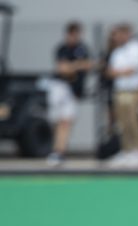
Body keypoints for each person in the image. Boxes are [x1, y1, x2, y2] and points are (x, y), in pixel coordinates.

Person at [46, 22, 93, 166]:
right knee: (57, 121)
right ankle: (56, 149)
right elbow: (63, 69)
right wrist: (77, 65)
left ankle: (60, 151)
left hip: (73, 91)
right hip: (60, 88)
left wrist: (73, 67)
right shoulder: (62, 49)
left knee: (67, 121)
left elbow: (89, 65)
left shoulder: (83, 49)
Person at [106, 23, 138, 166]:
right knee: (122, 122)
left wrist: (119, 72)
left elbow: (133, 69)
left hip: (133, 91)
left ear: (127, 33)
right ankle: (127, 150)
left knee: (133, 120)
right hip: (120, 91)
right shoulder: (116, 51)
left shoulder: (136, 48)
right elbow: (110, 72)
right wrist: (121, 72)